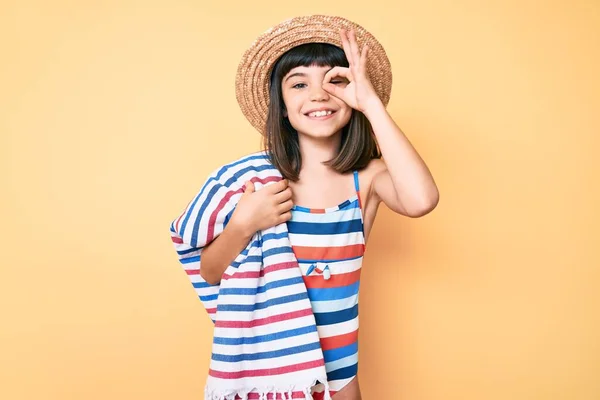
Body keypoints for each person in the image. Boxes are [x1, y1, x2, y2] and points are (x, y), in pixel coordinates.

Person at [174, 15, 439, 400]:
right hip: (271, 376)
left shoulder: (366, 178)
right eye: (299, 83)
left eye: (336, 81)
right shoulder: (252, 183)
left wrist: (371, 105)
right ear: (281, 106)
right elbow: (210, 272)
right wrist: (242, 225)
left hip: (339, 377)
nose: (318, 95)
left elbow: (422, 200)